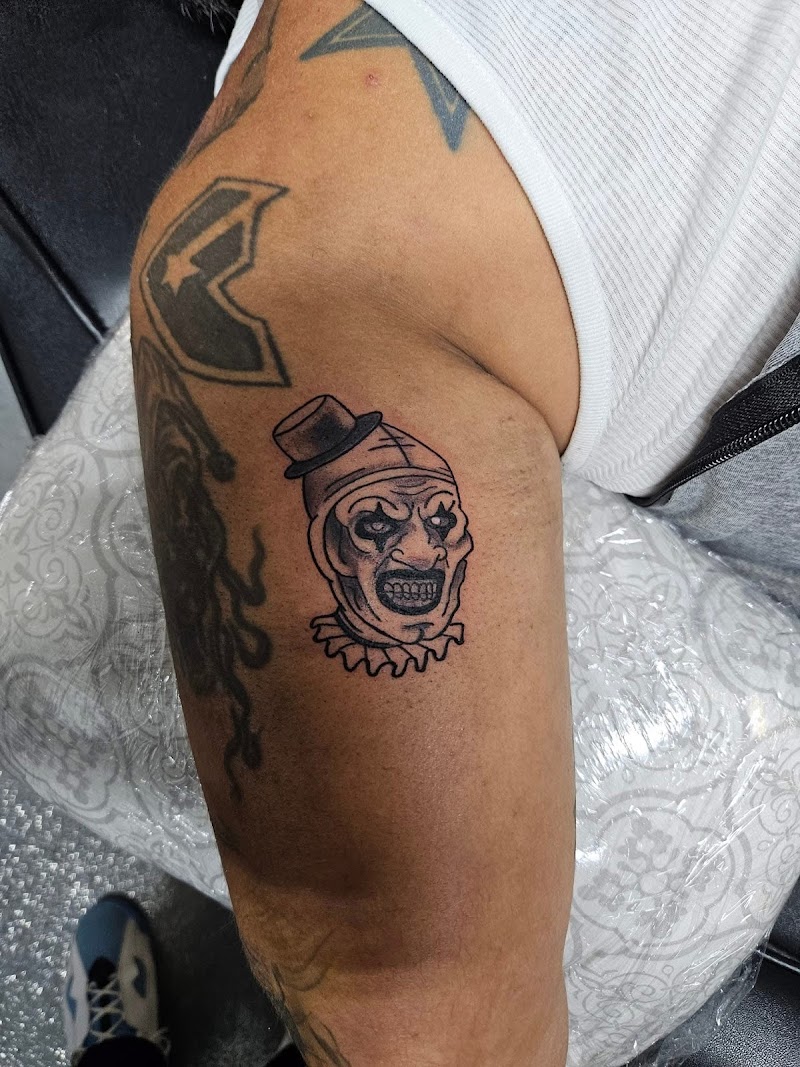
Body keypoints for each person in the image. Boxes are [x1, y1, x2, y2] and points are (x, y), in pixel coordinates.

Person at [130, 0, 800, 1064]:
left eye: (432, 521)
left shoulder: (310, 241)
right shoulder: (316, 251)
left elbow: (421, 1026)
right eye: (380, 522)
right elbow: (424, 1016)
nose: (414, 550)